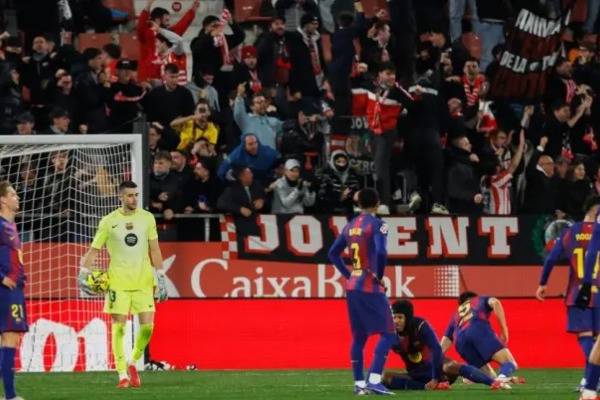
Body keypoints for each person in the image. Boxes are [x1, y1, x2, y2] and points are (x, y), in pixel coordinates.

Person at [78, 181, 167, 388]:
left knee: (147, 327)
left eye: (136, 195)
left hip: (144, 281)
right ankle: (121, 375)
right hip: (118, 282)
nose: (134, 199)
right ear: (120, 197)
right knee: (119, 328)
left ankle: (132, 361)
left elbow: (155, 249)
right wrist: (83, 274)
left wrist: (161, 277)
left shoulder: (147, 218)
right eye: (129, 195)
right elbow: (94, 250)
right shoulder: (108, 222)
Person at [327, 188, 395, 395]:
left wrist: (349, 276)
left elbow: (333, 254)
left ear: (359, 204)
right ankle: (374, 379)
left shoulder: (349, 226)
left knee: (359, 338)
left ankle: (359, 385)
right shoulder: (379, 224)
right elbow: (381, 251)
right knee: (389, 333)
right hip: (369, 285)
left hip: (353, 286)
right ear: (377, 203)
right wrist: (379, 275)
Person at [537, 195, 600, 393]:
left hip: (578, 292)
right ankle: (590, 379)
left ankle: (592, 379)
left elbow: (551, 259)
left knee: (585, 337)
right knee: (597, 341)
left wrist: (543, 283)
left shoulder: (571, 232)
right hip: (599, 292)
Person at [383, 300, 504, 391]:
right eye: (394, 317)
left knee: (450, 366)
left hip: (439, 370)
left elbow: (437, 350)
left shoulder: (421, 326)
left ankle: (492, 382)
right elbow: (380, 354)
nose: (396, 321)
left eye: (400, 317)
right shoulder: (390, 332)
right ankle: (428, 387)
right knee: (385, 377)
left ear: (408, 318)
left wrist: (435, 378)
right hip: (416, 374)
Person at [440, 292, 518, 385]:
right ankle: (502, 377)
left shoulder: (456, 315)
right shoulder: (478, 299)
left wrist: (436, 358)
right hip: (477, 328)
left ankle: (468, 374)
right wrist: (504, 329)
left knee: (490, 377)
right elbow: (495, 302)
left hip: (460, 342)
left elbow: (447, 339)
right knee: (510, 362)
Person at [0, 181, 27, 400]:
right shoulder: (0, 226)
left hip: (14, 289)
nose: (17, 198)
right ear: (2, 200)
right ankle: (10, 396)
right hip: (5, 290)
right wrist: (2, 278)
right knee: (9, 338)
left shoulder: (10, 225)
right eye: (12, 194)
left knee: (11, 339)